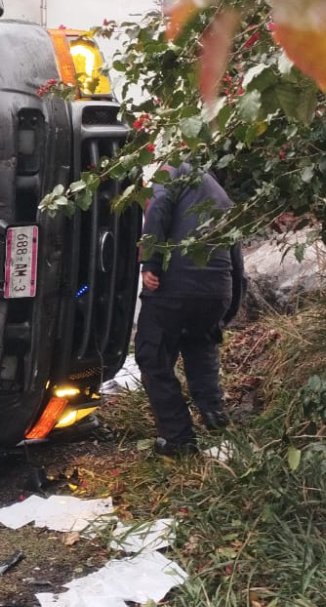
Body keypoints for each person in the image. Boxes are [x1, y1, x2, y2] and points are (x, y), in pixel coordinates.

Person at [134, 162, 245, 457]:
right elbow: (238, 266)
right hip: (216, 291)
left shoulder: (173, 173)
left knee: (152, 357)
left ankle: (179, 440)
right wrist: (223, 316)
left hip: (173, 288)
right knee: (200, 340)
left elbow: (158, 208)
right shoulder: (222, 198)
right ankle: (214, 414)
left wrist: (150, 262)